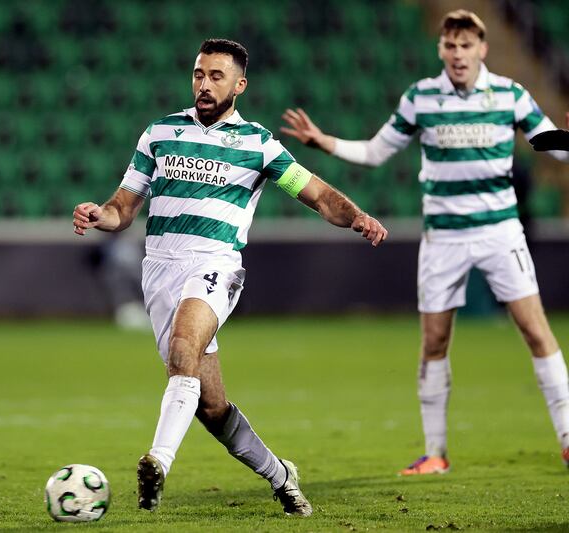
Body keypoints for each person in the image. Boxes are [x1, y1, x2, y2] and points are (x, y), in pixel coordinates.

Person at [73, 38, 388, 516]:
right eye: (199, 74)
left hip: (215, 264)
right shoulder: (159, 133)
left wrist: (358, 216)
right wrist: (100, 214)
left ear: (239, 84)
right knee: (211, 406)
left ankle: (157, 462)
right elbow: (124, 207)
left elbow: (318, 195)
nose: (204, 84)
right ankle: (282, 475)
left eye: (216, 76)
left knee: (184, 349)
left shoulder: (257, 144)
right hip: (159, 269)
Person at [280, 10, 569, 475]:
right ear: (441, 50)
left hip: (499, 232)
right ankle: (435, 452)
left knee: (536, 330)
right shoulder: (421, 98)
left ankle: (568, 436)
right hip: (444, 238)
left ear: (482, 49)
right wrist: (325, 142)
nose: (458, 54)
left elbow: (551, 144)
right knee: (434, 341)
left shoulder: (511, 94)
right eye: (450, 45)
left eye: (466, 45)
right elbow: (376, 151)